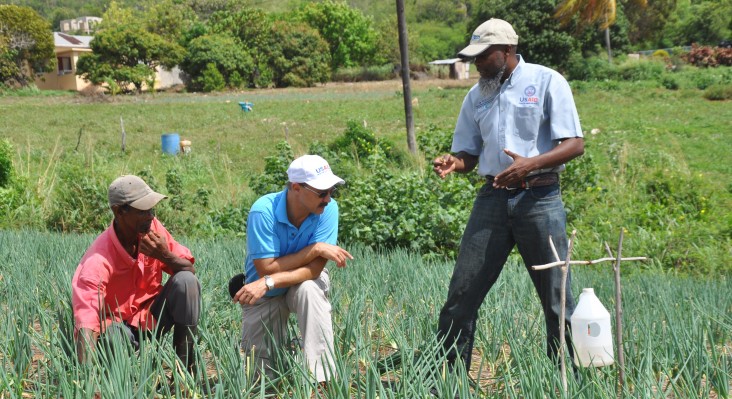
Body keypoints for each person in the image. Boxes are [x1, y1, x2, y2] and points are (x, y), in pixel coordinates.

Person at [432, 18, 585, 371]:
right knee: (461, 293)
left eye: (484, 55)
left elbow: (575, 144)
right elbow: (469, 154)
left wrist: (528, 165)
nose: (478, 63)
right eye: (474, 57)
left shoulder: (547, 81)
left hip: (540, 198)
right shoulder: (476, 96)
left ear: (508, 50)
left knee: (556, 297)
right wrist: (454, 163)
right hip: (493, 198)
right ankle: (451, 381)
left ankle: (566, 381)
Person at [233, 154, 352, 385]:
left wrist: (269, 280)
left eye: (331, 191)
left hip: (283, 283)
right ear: (296, 187)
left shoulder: (328, 210)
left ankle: (322, 380)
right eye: (322, 192)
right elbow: (266, 267)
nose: (328, 199)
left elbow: (315, 270)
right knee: (261, 381)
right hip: (264, 294)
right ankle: (293, 355)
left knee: (310, 289)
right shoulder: (263, 211)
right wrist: (316, 248)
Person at [71, 175, 201, 374]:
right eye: (142, 211)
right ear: (119, 211)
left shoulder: (152, 229)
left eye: (151, 209)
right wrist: (86, 381)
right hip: (118, 328)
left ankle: (184, 373)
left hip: (151, 317)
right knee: (115, 337)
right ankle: (118, 379)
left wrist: (164, 255)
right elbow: (86, 323)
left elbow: (188, 270)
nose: (150, 216)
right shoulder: (98, 261)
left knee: (186, 282)